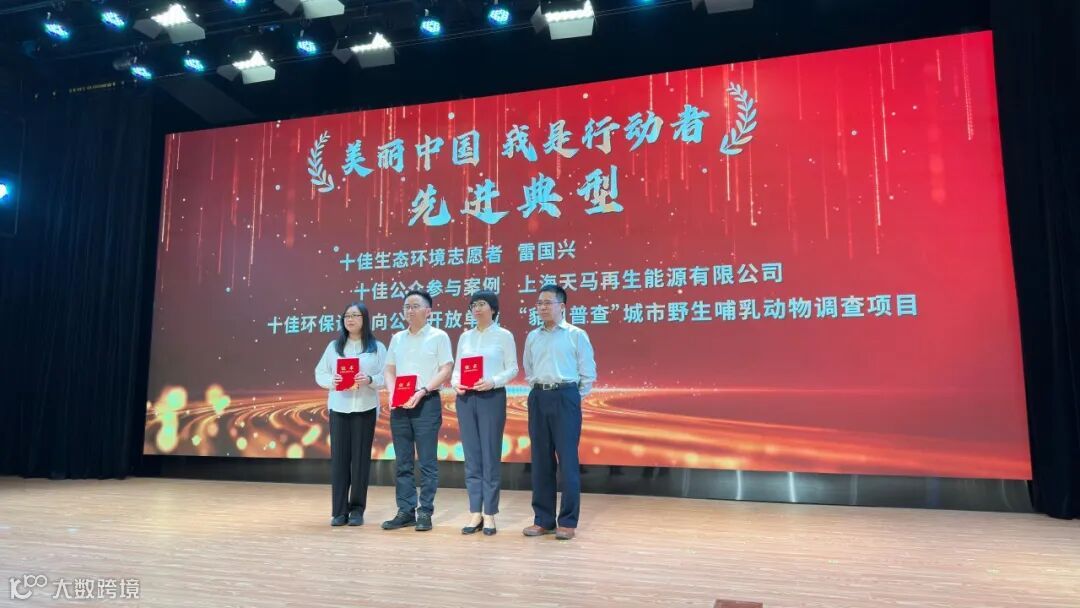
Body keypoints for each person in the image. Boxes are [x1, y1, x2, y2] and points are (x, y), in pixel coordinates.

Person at [521, 284, 597, 541]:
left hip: (566, 397)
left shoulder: (576, 335)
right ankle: (543, 519)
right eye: (539, 303)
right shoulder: (533, 336)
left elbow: (587, 374)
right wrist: (543, 390)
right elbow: (529, 369)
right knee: (541, 461)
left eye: (547, 302)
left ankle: (567, 521)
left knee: (568, 461)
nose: (542, 307)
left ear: (562, 306)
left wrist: (571, 397)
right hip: (539, 396)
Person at [381, 290, 453, 532]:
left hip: (426, 401)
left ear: (428, 311)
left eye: (415, 306)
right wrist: (393, 393)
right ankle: (405, 511)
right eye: (406, 306)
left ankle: (425, 511)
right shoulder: (397, 338)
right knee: (403, 461)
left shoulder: (439, 336)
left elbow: (446, 369)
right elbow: (389, 369)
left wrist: (422, 390)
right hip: (400, 404)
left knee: (427, 462)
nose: (409, 310)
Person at [451, 290, 518, 536]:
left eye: (481, 304)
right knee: (471, 456)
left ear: (493, 309)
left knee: (490, 454)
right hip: (466, 399)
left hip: (491, 397)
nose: (476, 309)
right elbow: (457, 370)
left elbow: (513, 368)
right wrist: (455, 383)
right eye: (473, 305)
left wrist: (493, 381)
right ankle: (474, 512)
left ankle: (489, 513)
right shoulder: (465, 337)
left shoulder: (504, 336)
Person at [314, 302, 386, 527]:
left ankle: (356, 509)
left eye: (355, 315)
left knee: (360, 462)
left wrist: (370, 380)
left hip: (365, 408)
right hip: (339, 408)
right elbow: (320, 373)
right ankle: (339, 511)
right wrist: (332, 381)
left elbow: (386, 376)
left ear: (365, 319)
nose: (350, 319)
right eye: (347, 316)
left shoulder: (376, 347)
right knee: (340, 461)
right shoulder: (334, 347)